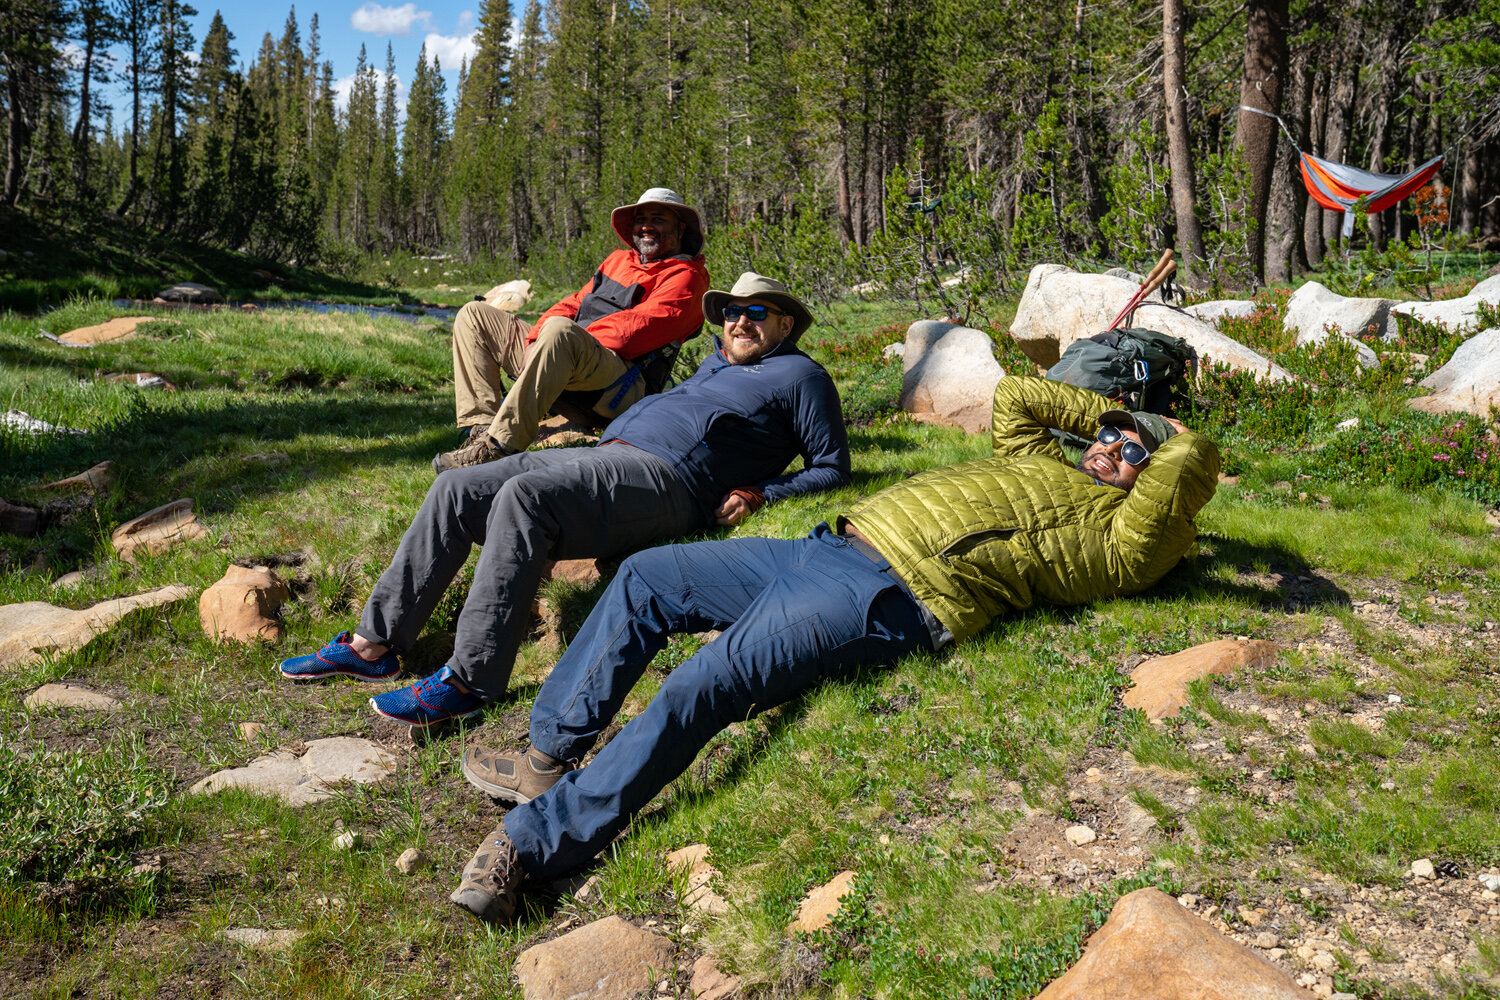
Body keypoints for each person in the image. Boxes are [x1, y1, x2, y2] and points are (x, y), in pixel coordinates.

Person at [445, 375, 1222, 921]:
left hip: (891, 595)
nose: (1108, 450)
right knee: (648, 577)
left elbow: (1188, 463)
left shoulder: (1125, 541)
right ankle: (548, 756)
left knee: (703, 682)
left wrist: (1174, 437)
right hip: (824, 548)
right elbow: (1021, 394)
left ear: (1158, 488)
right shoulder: (1035, 459)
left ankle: (532, 845)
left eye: (1129, 453)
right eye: (1107, 438)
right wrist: (1115, 415)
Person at [278, 272, 850, 728]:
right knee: (456, 486)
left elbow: (831, 466)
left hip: (668, 481)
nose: (740, 322)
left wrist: (759, 492)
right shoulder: (715, 362)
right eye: (732, 311)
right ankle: (374, 644)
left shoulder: (802, 377)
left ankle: (470, 680)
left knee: (526, 497)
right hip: (610, 450)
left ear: (786, 324)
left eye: (756, 313)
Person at [434, 188, 710, 473]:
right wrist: (535, 339)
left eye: (658, 219)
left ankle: (498, 446)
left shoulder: (687, 278)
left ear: (680, 228)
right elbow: (573, 303)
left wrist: (562, 340)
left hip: (620, 385)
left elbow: (635, 331)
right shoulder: (618, 261)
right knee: (474, 314)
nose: (647, 226)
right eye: (641, 219)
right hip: (568, 356)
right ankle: (479, 431)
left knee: (559, 331)